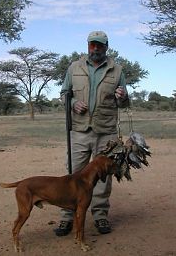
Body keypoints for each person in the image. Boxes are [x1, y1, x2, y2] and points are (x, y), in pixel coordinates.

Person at [54, 31, 129, 236]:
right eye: (92, 45)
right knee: (72, 173)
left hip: (106, 131)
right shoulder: (74, 67)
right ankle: (67, 217)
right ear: (88, 46)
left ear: (107, 47)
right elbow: (63, 94)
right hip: (78, 130)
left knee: (103, 175)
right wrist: (72, 103)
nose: (95, 49)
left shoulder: (117, 70)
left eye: (100, 45)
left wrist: (123, 96)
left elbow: (125, 102)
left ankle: (100, 216)